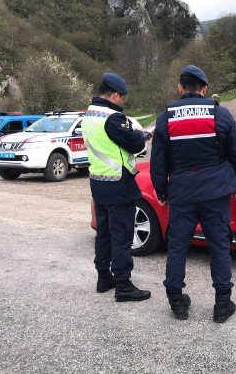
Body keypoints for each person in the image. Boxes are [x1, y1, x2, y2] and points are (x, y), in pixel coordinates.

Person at [150, 65, 236, 322]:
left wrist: (161, 191)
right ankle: (222, 305)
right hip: (216, 192)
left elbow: (157, 162)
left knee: (177, 248)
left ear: (180, 88)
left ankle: (176, 302)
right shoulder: (221, 115)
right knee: (219, 246)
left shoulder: (165, 118)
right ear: (204, 89)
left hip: (181, 193)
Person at [81, 72, 152, 302]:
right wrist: (141, 134)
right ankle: (123, 285)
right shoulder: (113, 118)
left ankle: (103, 278)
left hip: (98, 182)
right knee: (122, 236)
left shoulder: (89, 115)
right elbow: (135, 143)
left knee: (104, 233)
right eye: (122, 98)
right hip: (119, 184)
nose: (122, 102)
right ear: (115, 95)